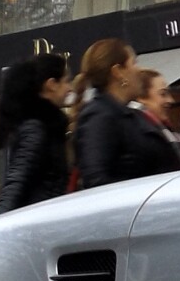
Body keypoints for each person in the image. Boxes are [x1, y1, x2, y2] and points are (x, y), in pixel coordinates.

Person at [70, 38, 166, 188]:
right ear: (118, 72)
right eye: (133, 63)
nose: (139, 70)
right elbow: (96, 183)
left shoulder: (126, 113)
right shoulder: (99, 117)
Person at [0, 53, 73, 213]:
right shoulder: (37, 128)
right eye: (66, 81)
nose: (70, 88)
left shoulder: (43, 126)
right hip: (39, 223)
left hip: (41, 219)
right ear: (51, 84)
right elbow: (17, 181)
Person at [131, 69, 180, 175]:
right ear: (141, 98)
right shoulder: (139, 136)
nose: (171, 100)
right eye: (163, 94)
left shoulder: (167, 133)